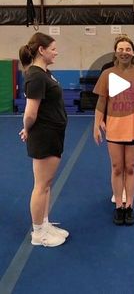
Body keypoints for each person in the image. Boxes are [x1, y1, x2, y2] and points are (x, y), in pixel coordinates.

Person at [93, 35, 134, 225]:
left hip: (133, 127)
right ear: (115, 52)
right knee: (116, 168)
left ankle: (129, 206)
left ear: (133, 52)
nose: (124, 52)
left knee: (130, 168)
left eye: (128, 49)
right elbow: (102, 100)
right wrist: (96, 124)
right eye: (121, 49)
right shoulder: (107, 74)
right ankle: (118, 206)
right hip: (114, 128)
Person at [19, 32, 69, 247]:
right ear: (42, 50)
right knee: (41, 185)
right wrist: (26, 129)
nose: (56, 52)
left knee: (47, 184)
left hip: (53, 132)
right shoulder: (36, 76)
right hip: (44, 134)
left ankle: (45, 222)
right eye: (53, 49)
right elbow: (30, 113)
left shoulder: (45, 73)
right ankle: (38, 233)